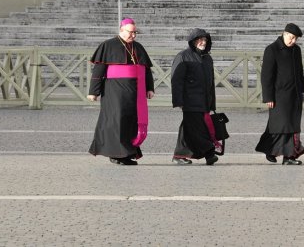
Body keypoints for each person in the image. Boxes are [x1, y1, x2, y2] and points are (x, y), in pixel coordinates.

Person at [87, 18, 155, 165]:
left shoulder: (138, 47)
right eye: (131, 32)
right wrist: (94, 91)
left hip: (134, 92)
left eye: (135, 33)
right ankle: (117, 154)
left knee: (131, 120)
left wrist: (149, 88)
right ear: (121, 30)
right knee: (117, 120)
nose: (134, 36)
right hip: (114, 91)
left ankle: (128, 151)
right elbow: (98, 71)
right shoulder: (108, 45)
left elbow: (146, 70)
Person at [255, 23, 304, 165]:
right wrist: (268, 97)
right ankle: (288, 156)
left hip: (295, 95)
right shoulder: (271, 50)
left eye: (296, 39)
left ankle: (274, 151)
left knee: (289, 124)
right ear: (284, 33)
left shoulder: (297, 50)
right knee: (283, 125)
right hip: (279, 96)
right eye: (292, 37)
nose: (293, 41)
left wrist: (302, 90)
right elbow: (266, 76)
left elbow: (300, 72)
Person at [170, 28, 220, 166]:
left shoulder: (207, 58)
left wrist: (212, 102)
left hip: (204, 100)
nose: (203, 42)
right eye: (200, 39)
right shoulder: (183, 56)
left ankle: (179, 155)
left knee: (189, 127)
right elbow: (176, 81)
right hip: (190, 100)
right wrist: (178, 100)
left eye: (205, 40)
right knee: (197, 127)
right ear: (193, 41)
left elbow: (211, 82)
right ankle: (209, 153)